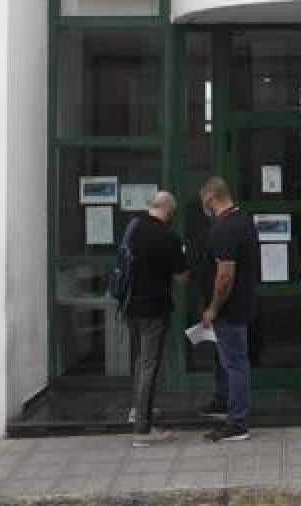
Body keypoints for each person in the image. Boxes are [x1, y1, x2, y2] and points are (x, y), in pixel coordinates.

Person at [199, 176, 260, 442]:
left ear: (212, 197)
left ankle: (237, 423)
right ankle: (233, 412)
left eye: (205, 201)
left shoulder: (223, 228)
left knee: (234, 364)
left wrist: (213, 307)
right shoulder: (244, 221)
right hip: (242, 303)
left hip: (230, 308)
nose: (205, 206)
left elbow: (225, 275)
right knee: (235, 362)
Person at [126, 190, 189, 447]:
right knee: (149, 365)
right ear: (169, 211)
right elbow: (183, 277)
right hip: (154, 309)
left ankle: (137, 410)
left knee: (140, 362)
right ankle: (142, 429)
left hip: (131, 306)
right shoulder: (168, 237)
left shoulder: (133, 227)